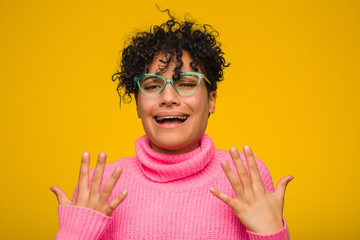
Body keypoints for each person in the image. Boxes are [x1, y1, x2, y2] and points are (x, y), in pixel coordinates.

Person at [50, 16, 293, 240]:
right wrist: (75, 233)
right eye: (152, 85)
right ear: (137, 104)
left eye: (186, 83)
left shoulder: (247, 180)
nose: (168, 97)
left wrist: (270, 233)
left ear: (211, 100)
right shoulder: (99, 186)